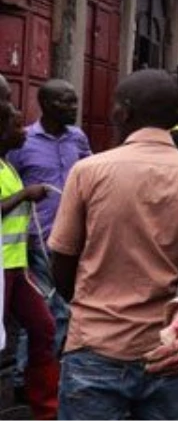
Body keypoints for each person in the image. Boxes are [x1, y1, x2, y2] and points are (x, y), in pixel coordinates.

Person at [47, 70, 178, 417]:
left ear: (124, 112)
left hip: (96, 344)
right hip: (168, 350)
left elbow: (62, 258)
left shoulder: (89, 171)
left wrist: (89, 305)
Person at [7, 79, 89, 353]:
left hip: (73, 237)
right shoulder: (23, 139)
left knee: (60, 308)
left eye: (75, 100)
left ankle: (39, 372)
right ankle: (29, 375)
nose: (73, 107)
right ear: (45, 104)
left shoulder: (78, 138)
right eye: (65, 101)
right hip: (37, 238)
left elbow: (90, 173)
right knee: (49, 309)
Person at [0, 102, 58, 420]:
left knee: (44, 327)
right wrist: (24, 196)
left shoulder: (7, 165)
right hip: (2, 272)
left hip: (15, 269)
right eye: (16, 125)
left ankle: (45, 409)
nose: (24, 132)